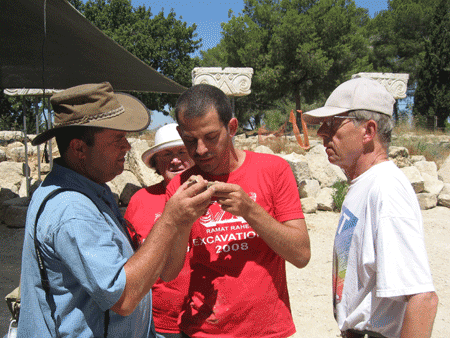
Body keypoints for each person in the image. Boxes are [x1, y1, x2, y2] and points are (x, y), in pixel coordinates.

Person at [18, 82, 213, 338]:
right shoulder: (72, 209)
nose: (127, 147)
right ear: (79, 148)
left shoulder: (92, 191)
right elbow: (123, 298)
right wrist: (171, 218)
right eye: (117, 139)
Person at [165, 84, 311, 338]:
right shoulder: (179, 187)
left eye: (211, 137)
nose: (200, 149)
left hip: (267, 331)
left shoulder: (274, 170)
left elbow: (301, 255)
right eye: (190, 140)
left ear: (231, 128)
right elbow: (169, 272)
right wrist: (182, 221)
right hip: (203, 330)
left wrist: (250, 211)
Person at [303, 77, 439, 338]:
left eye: (332, 123)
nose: (322, 133)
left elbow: (423, 299)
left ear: (368, 131)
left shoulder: (386, 189)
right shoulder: (364, 184)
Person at [125, 123, 194, 338]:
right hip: (156, 323)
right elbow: (128, 259)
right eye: (166, 154)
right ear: (155, 161)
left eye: (181, 151)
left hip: (208, 321)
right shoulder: (140, 200)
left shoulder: (215, 197)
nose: (175, 160)